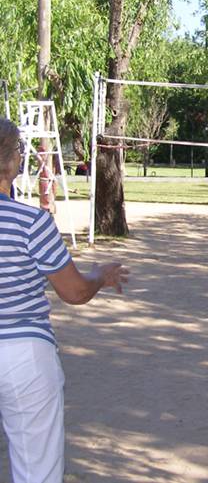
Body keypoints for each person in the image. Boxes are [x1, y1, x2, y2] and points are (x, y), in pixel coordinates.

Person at [0, 118, 128, 483]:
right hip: (22, 356)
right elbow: (74, 292)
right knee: (36, 469)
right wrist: (99, 276)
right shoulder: (31, 223)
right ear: (11, 161)